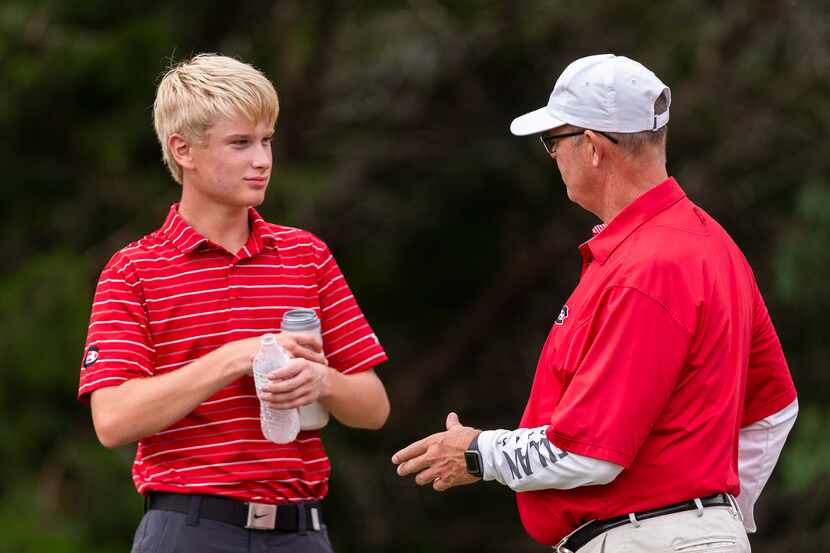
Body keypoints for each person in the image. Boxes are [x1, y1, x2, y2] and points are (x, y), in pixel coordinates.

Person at [392, 54, 797, 552]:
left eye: (552, 141)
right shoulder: (712, 244)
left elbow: (589, 452)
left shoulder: (648, 265)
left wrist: (478, 452)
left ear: (593, 147)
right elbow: (773, 410)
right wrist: (716, 520)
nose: (552, 156)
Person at [78, 53, 390, 553]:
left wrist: (323, 380)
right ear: (184, 150)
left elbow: (374, 408)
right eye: (241, 143)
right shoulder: (134, 269)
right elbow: (113, 420)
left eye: (267, 140)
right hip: (188, 529)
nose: (262, 159)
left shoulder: (306, 256)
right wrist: (236, 357)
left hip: (302, 534)